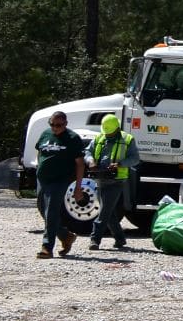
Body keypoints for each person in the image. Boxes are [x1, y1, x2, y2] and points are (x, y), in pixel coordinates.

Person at [33, 111, 87, 259]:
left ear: (65, 124)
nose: (55, 128)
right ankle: (65, 236)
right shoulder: (45, 134)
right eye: (52, 124)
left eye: (59, 125)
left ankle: (47, 247)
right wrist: (39, 168)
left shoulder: (72, 138)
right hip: (44, 179)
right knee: (44, 210)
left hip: (60, 180)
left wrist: (78, 188)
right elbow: (40, 152)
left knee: (51, 211)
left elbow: (80, 164)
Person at [86, 114, 140, 250]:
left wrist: (120, 164)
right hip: (100, 179)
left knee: (104, 211)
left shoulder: (127, 139)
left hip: (117, 180)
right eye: (106, 133)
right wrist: (90, 161)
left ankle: (95, 239)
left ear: (117, 129)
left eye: (111, 133)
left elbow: (135, 158)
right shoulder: (99, 137)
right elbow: (87, 151)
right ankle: (120, 239)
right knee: (109, 211)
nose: (108, 135)